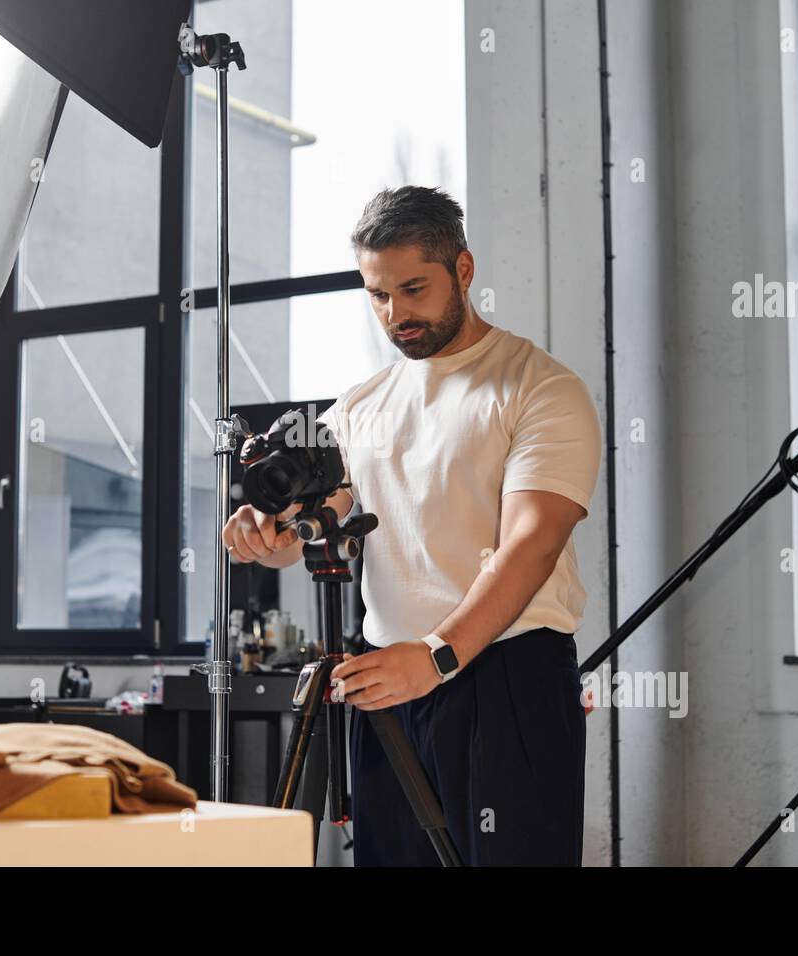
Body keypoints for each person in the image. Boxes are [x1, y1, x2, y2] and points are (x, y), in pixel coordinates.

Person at [221, 185, 601, 866]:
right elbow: (325, 515)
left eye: (413, 289)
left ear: (462, 269)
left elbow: (532, 543)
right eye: (377, 295)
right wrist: (269, 534)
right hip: (388, 679)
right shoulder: (359, 405)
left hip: (501, 671)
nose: (395, 314)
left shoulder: (539, 387)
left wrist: (439, 655)